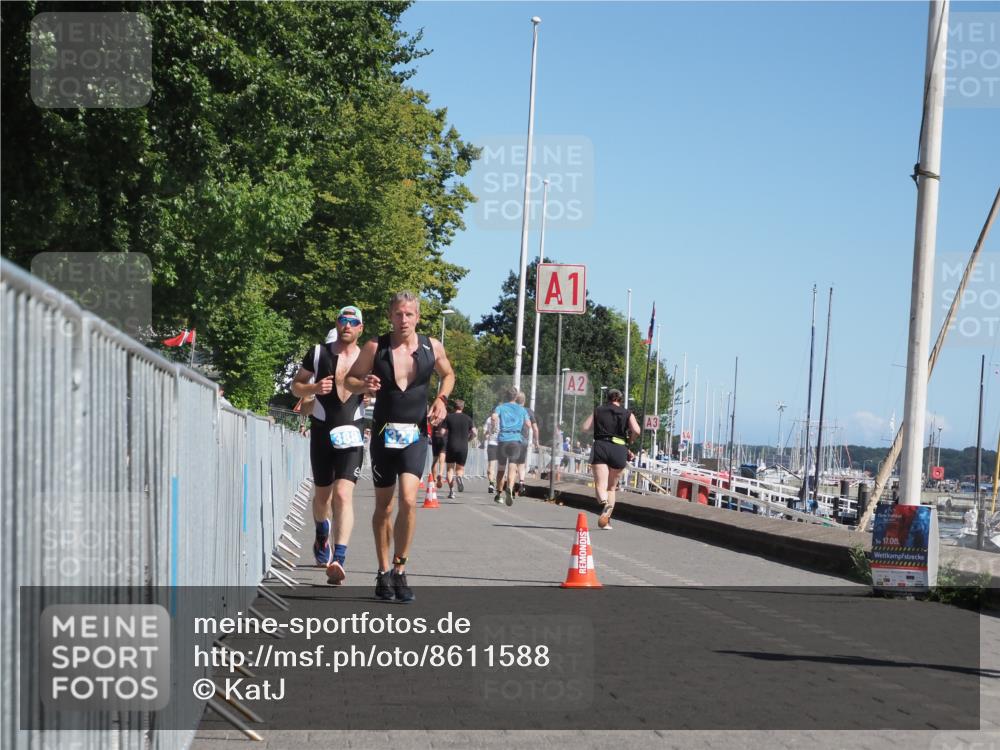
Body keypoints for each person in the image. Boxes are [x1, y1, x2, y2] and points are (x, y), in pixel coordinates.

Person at [346, 291, 454, 603]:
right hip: (383, 433)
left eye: (409, 314)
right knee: (385, 506)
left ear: (417, 317)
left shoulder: (431, 347)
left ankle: (400, 568)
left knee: (408, 500)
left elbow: (448, 375)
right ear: (390, 316)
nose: (403, 320)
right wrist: (364, 384)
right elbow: (350, 380)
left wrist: (441, 399)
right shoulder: (375, 347)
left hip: (415, 434)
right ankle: (382, 572)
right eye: (398, 314)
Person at [290, 306, 367, 582]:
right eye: (343, 321)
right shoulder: (318, 352)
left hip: (352, 432)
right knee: (323, 497)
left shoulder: (367, 356)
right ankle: (322, 532)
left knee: (344, 495)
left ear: (360, 328)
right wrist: (312, 389)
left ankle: (339, 558)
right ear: (337, 323)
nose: (347, 325)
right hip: (323, 431)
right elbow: (295, 386)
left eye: (353, 322)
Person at [581, 388, 640, 530]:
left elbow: (584, 427)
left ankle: (604, 502)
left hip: (601, 445)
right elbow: (637, 430)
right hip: (619, 448)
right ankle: (607, 521)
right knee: (612, 488)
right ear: (620, 399)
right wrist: (631, 440)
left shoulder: (598, 410)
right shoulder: (627, 413)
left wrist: (595, 429)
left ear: (607, 398)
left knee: (600, 485)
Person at [490, 387, 532, 506]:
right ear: (516, 397)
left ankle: (499, 494)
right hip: (515, 440)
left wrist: (493, 427)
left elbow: (494, 417)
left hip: (503, 440)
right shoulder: (522, 409)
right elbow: (528, 424)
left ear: (506, 396)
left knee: (501, 469)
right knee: (512, 467)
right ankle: (510, 487)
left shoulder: (501, 407)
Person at [443, 399, 475, 499]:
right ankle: (460, 477)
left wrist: (443, 435)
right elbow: (475, 433)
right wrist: (469, 438)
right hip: (463, 446)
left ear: (454, 407)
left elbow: (442, 431)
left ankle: (452, 491)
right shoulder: (468, 418)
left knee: (449, 469)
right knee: (460, 468)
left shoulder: (448, 417)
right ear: (463, 407)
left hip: (451, 445)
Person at [513, 392, 539, 494]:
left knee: (512, 463)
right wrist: (536, 441)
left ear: (515, 400)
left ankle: (512, 485)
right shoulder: (529, 411)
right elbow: (535, 429)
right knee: (521, 464)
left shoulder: (512, 410)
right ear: (524, 401)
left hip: (513, 439)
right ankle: (521, 484)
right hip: (524, 440)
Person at [483, 413, 500, 494]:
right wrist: (488, 432)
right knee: (491, 467)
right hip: (492, 444)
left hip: (501, 445)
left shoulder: (502, 420)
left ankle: (499, 485)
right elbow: (485, 434)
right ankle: (491, 484)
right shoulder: (488, 420)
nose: (494, 419)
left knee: (501, 467)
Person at [430, 420, 448, 488]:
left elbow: (431, 424)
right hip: (443, 437)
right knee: (442, 458)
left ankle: (434, 480)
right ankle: (440, 474)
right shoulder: (446, 416)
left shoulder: (434, 416)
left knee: (435, 459)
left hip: (435, 437)